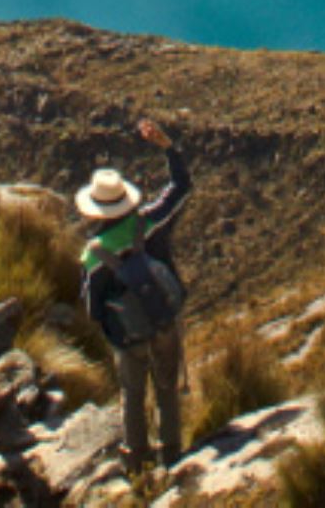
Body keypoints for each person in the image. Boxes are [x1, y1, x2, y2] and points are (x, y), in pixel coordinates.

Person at [77, 119, 193, 473]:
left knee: (132, 395)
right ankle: (171, 454)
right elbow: (181, 188)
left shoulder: (93, 255)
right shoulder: (150, 221)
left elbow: (93, 309)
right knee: (167, 388)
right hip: (163, 320)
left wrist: (112, 329)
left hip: (127, 336)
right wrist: (167, 146)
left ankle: (136, 462)